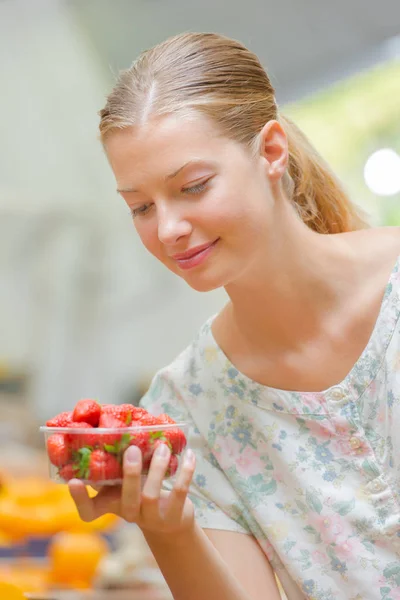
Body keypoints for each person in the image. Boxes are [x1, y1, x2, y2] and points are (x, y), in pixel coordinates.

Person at [69, 32, 400, 600]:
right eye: (141, 207)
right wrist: (168, 530)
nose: (167, 228)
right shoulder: (187, 409)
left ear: (271, 151)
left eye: (192, 186)